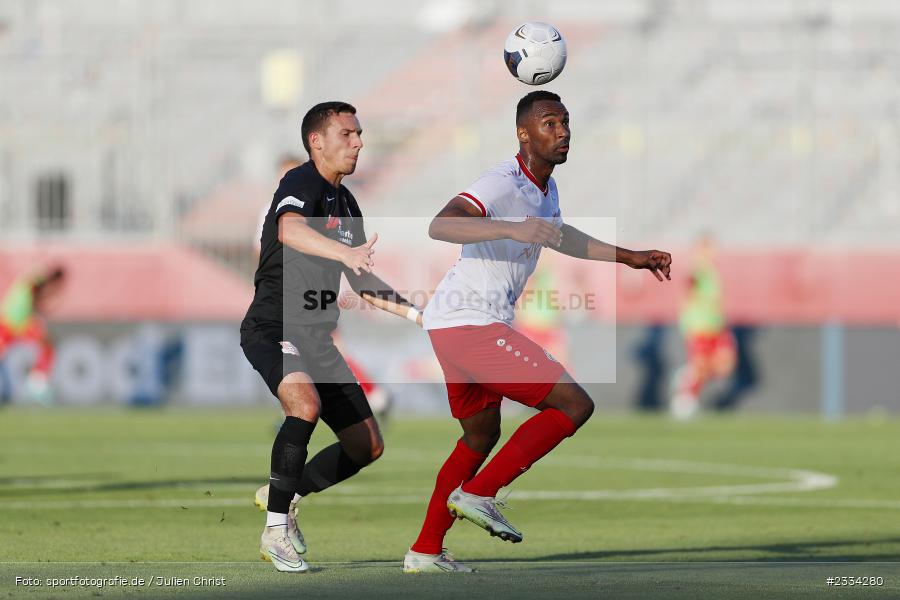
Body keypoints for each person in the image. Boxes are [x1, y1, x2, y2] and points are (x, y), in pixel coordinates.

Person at [403, 91, 672, 573]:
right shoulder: (502, 182)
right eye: (550, 123)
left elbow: (559, 235)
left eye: (566, 122)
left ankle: (425, 550)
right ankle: (481, 493)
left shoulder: (545, 191)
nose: (563, 131)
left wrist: (631, 257)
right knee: (574, 404)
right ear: (523, 134)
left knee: (480, 435)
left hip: (457, 322)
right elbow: (442, 225)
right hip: (471, 322)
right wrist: (512, 228)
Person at [240, 101, 422, 573]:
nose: (359, 142)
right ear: (316, 141)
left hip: (317, 336)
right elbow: (290, 230)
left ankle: (287, 492)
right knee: (304, 406)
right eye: (348, 134)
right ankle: (275, 531)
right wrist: (344, 254)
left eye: (359, 134)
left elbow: (362, 280)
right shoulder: (301, 182)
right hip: (274, 325)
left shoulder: (348, 204)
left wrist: (422, 314)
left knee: (367, 446)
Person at [670, 234, 735, 419]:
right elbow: (688, 290)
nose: (714, 252)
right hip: (700, 326)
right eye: (710, 248)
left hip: (716, 326)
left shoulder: (712, 272)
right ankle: (685, 399)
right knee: (703, 365)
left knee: (725, 366)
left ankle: (687, 376)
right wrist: (687, 321)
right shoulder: (698, 269)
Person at [0, 266, 65, 404]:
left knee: (47, 344)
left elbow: (34, 299)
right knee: (47, 344)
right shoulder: (39, 280)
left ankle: (35, 382)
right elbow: (35, 291)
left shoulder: (35, 282)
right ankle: (36, 383)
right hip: (14, 322)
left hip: (11, 321)